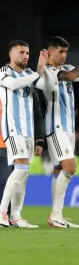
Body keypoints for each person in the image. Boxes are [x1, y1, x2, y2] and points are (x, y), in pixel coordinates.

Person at [0, 41, 52, 227]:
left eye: (27, 52)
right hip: (13, 129)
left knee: (24, 175)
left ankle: (16, 216)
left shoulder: (29, 74)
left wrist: (46, 67)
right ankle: (2, 211)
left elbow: (48, 86)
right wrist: (38, 72)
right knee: (21, 168)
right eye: (21, 52)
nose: (26, 56)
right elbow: (14, 85)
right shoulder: (4, 72)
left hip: (28, 132)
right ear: (11, 54)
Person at [0, 81, 45, 222]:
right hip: (0, 140)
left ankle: (11, 214)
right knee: (6, 177)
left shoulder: (28, 89)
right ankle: (5, 213)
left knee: (18, 178)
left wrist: (39, 139)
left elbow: (37, 115)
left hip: (22, 139)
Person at [37, 36, 79, 228]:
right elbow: (69, 77)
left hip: (69, 128)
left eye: (65, 52)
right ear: (50, 52)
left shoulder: (69, 68)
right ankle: (56, 214)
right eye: (60, 51)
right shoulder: (47, 71)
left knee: (59, 170)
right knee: (70, 167)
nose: (63, 55)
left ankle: (57, 216)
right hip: (55, 127)